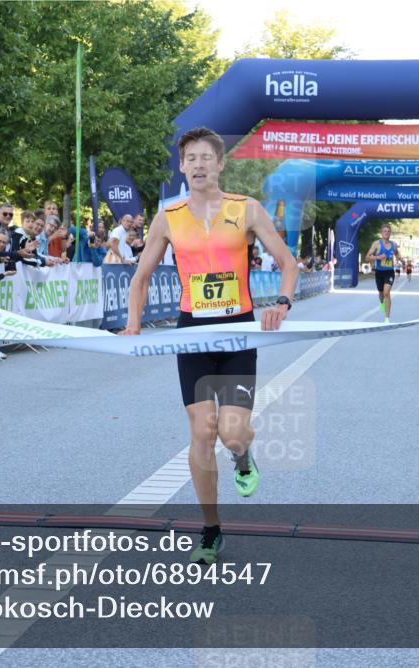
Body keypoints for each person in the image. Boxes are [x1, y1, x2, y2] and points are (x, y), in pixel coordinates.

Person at [122, 127, 297, 565]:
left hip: (237, 331)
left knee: (232, 433)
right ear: (182, 166)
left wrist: (282, 301)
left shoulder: (246, 209)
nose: (199, 165)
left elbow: (288, 263)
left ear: (220, 164)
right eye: (191, 158)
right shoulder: (169, 217)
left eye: (206, 158)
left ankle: (243, 456)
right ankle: (211, 530)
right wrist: (132, 325)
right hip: (192, 333)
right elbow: (141, 277)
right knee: (202, 432)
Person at [365, 223, 402, 322]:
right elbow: (367, 257)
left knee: (387, 293)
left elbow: (397, 253)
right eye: (385, 231)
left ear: (390, 233)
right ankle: (381, 303)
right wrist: (378, 257)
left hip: (389, 272)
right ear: (381, 233)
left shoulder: (393, 244)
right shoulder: (376, 244)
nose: (386, 233)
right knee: (381, 293)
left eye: (388, 231)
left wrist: (401, 260)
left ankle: (387, 318)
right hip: (379, 272)